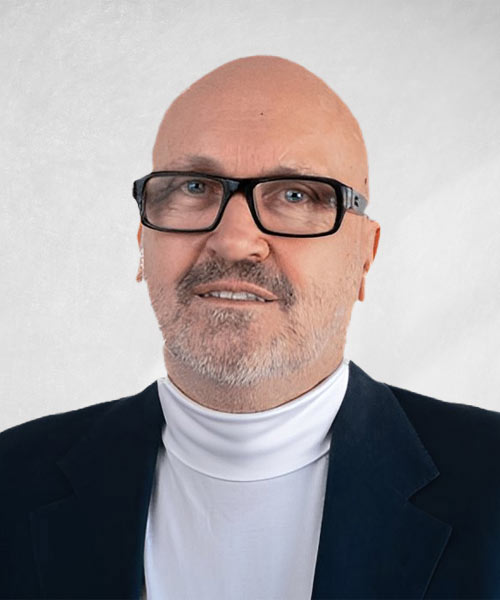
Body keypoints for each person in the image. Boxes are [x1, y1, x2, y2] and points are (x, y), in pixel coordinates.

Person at [1, 55, 499, 600]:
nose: (235, 241)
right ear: (142, 243)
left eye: (295, 195)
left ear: (365, 255)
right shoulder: (12, 481)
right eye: (194, 187)